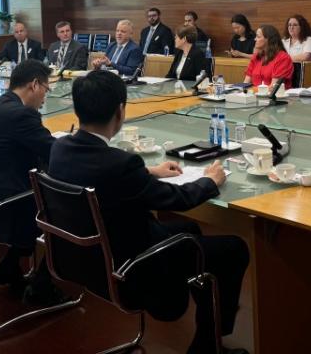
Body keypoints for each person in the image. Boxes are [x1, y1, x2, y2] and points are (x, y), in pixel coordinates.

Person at [48, 71, 249, 354]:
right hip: (131, 269)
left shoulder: (60, 148)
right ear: (120, 111)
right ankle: (208, 344)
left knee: (188, 231)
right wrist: (210, 182)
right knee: (234, 249)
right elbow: (175, 199)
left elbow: (102, 173)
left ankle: (208, 333)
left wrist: (148, 171)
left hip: (83, 260)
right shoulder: (120, 164)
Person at [0, 60, 65, 304]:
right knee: (72, 209)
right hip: (9, 206)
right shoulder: (21, 115)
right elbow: (55, 153)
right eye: (46, 89)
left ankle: (10, 266)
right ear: (34, 85)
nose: (45, 96)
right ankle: (42, 286)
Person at [282, 14, 311, 79]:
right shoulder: (284, 41)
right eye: (289, 25)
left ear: (302, 27)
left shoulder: (308, 40)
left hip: (306, 76)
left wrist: (284, 59)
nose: (291, 27)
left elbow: (305, 57)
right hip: (288, 74)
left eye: (295, 25)